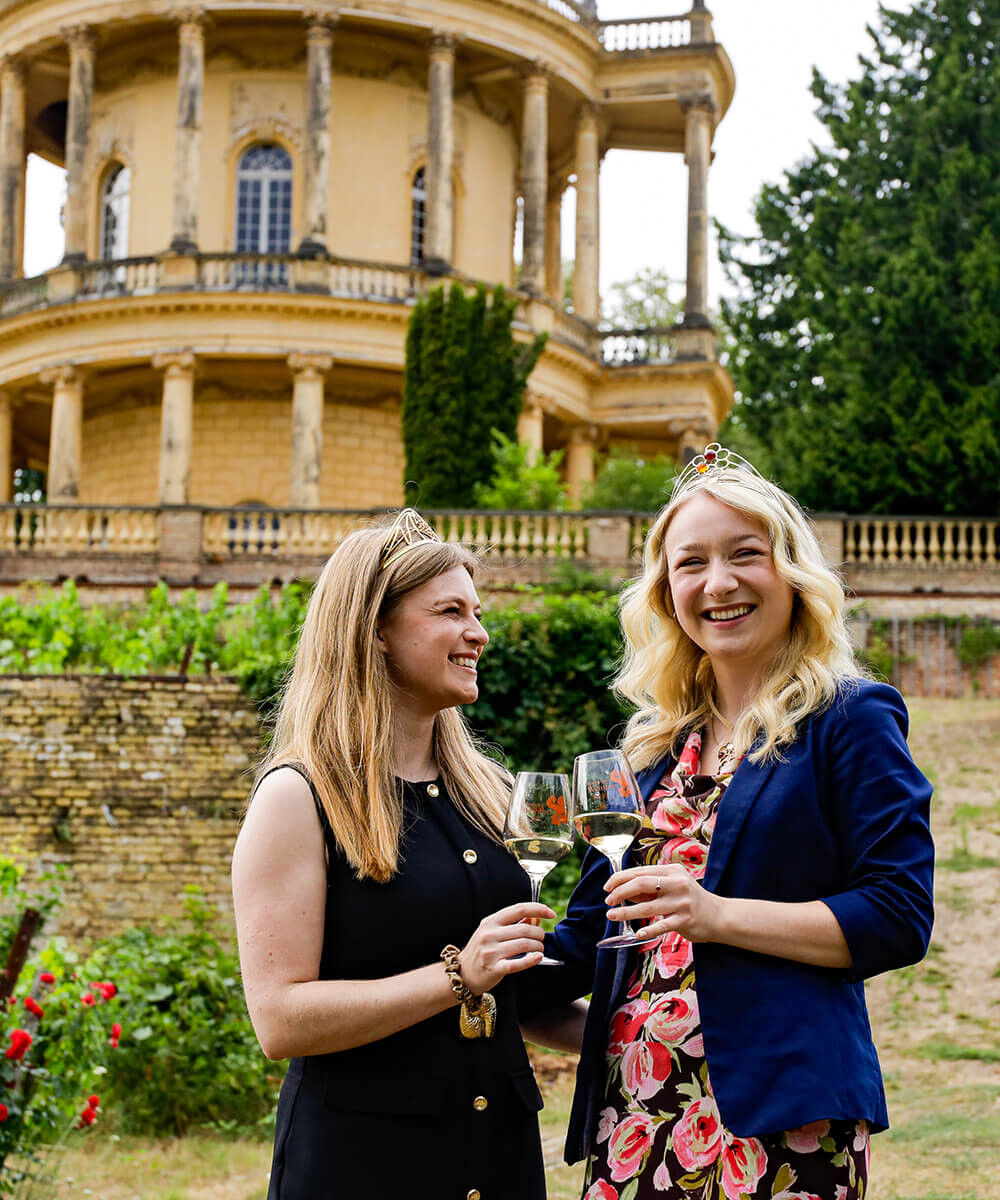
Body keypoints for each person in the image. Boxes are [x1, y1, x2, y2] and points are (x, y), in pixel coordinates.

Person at [546, 444, 935, 1200]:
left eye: (744, 555)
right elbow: (589, 937)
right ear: (666, 592)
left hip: (781, 1123)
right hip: (636, 1114)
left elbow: (898, 913)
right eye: (690, 564)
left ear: (790, 572)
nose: (718, 583)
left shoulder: (851, 717)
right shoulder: (647, 752)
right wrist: (467, 961)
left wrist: (716, 916)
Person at [231, 509, 558, 1200]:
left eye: (478, 610)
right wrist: (459, 976)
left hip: (499, 1160)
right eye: (450, 611)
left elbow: (514, 987)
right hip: (365, 1166)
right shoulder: (298, 797)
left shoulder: (494, 794)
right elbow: (279, 1020)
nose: (479, 633)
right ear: (375, 631)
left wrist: (646, 1025)